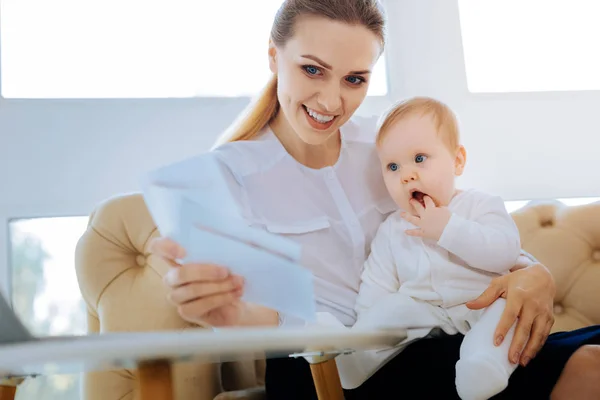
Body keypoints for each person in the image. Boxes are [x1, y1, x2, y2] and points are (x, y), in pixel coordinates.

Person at [150, 0, 600, 398]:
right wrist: (227, 314)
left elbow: (458, 218)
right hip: (325, 371)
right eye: (312, 69)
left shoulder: (385, 148)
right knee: (591, 371)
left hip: (436, 338)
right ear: (274, 55)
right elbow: (266, 315)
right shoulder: (229, 176)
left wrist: (533, 273)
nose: (332, 100)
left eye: (354, 79)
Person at [334, 96, 522, 399]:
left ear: (457, 161)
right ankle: (355, 358)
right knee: (392, 308)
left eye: (419, 158)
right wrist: (368, 322)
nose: (407, 174)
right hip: (423, 311)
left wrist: (449, 229)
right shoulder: (393, 228)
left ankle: (484, 367)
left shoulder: (480, 205)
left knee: (506, 314)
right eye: (393, 166)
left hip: (480, 303)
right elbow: (377, 283)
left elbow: (505, 251)